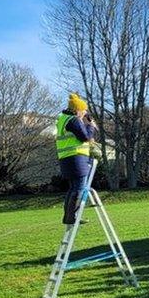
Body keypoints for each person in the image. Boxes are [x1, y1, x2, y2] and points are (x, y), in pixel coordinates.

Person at [56, 93, 98, 225]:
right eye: (84, 110)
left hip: (67, 159)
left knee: (73, 188)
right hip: (76, 158)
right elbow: (84, 137)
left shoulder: (63, 118)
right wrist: (91, 126)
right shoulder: (73, 120)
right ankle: (72, 217)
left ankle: (68, 217)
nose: (85, 113)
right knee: (79, 188)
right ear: (77, 110)